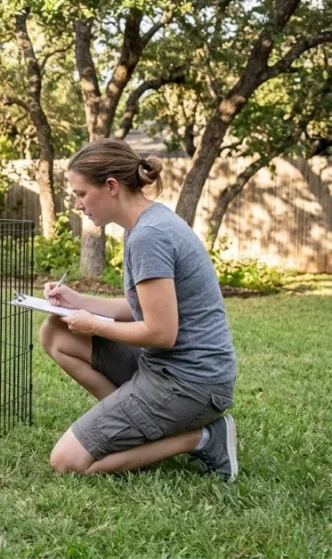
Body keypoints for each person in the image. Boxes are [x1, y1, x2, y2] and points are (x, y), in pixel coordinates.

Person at [40, 138, 239, 481]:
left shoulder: (149, 236)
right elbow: (142, 308)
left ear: (112, 187)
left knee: (67, 462)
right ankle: (131, 422)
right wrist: (78, 301)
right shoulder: (147, 224)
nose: (78, 204)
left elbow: (161, 332)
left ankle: (202, 438)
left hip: (190, 383)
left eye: (81, 193)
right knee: (55, 332)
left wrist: (96, 326)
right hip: (164, 370)